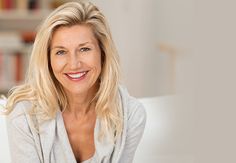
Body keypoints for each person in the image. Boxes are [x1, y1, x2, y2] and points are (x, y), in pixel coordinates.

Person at [4, 1, 146, 163]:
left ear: (103, 53)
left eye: (84, 49)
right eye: (61, 52)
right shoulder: (24, 114)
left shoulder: (130, 116)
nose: (74, 64)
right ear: (48, 59)